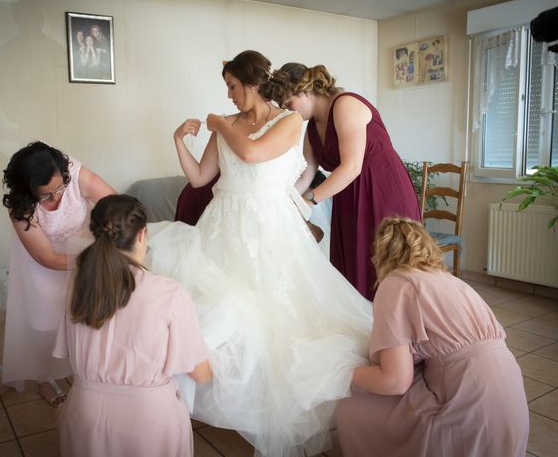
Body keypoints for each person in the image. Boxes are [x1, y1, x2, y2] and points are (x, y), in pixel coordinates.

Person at [146, 50, 373, 457]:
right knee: (225, 313)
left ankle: (273, 405)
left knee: (277, 318)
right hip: (223, 222)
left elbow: (252, 154)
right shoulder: (227, 125)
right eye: (226, 89)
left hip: (271, 226)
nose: (229, 95)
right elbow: (200, 176)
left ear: (252, 83)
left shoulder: (289, 121)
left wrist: (217, 123)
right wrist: (178, 139)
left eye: (232, 86)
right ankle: (228, 400)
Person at [336, 217, 529, 457]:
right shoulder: (454, 282)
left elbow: (395, 381)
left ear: (382, 253)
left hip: (471, 413)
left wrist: (341, 371)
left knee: (354, 403)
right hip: (513, 409)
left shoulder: (396, 283)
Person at [53, 194, 212, 457]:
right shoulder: (169, 293)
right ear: (142, 235)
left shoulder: (76, 286)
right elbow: (201, 374)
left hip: (84, 412)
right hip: (147, 421)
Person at [269, 63, 421, 300]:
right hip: (348, 195)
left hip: (381, 190)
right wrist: (285, 199)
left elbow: (351, 167)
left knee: (386, 267)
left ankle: (397, 326)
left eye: (289, 103)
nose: (289, 111)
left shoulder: (345, 105)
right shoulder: (311, 127)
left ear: (307, 91)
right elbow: (307, 172)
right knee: (354, 263)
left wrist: (310, 200)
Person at [1, 141, 115, 406]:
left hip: (83, 244)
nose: (56, 198)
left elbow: (114, 202)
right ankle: (45, 378)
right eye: (45, 196)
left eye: (59, 189)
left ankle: (87, 373)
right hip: (43, 262)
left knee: (86, 313)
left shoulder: (74, 172)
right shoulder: (20, 208)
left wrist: (111, 240)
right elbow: (47, 257)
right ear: (27, 191)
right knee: (46, 321)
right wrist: (93, 259)